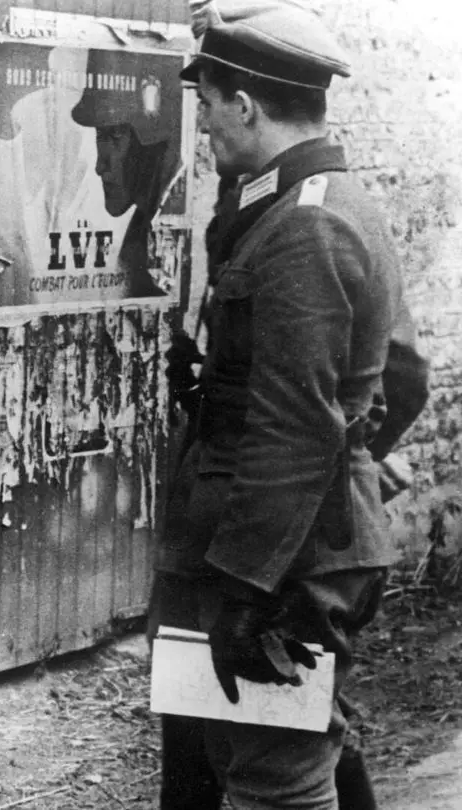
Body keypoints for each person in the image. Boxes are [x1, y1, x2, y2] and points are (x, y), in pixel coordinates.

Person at [155, 3, 427, 807]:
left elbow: (291, 427)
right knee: (267, 742)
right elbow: (402, 373)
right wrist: (352, 463)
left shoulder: (304, 228)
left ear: (244, 103)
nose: (202, 127)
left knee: (277, 777)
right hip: (269, 541)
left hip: (278, 561)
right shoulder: (310, 203)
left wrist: (248, 588)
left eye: (206, 106)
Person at [70, 47, 184, 298]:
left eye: (116, 136)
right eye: (102, 136)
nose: (101, 166)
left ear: (151, 142)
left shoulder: (164, 238)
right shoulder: (143, 231)